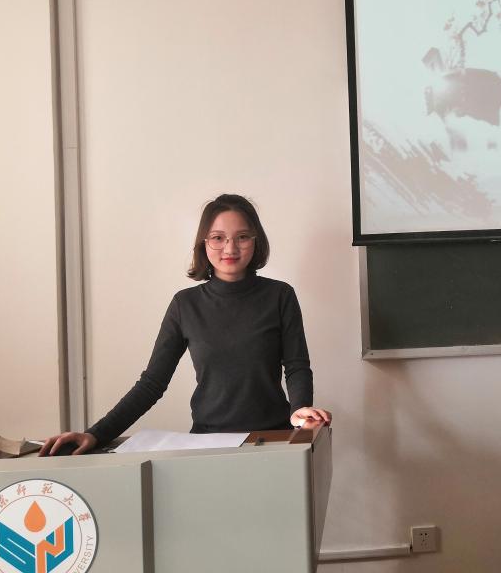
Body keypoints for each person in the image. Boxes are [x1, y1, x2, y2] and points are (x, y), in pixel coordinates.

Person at [40, 194, 331, 456]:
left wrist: (299, 410)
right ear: (204, 243)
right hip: (207, 444)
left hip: (272, 440)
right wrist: (96, 434)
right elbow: (152, 384)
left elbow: (296, 366)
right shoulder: (185, 304)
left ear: (256, 241)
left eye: (242, 237)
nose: (230, 247)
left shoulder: (279, 296)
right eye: (218, 237)